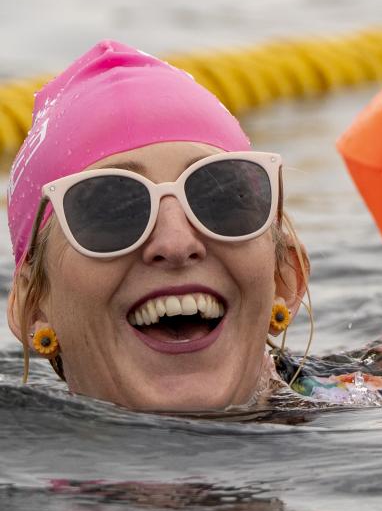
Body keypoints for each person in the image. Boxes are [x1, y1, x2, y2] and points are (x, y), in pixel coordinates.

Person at [6, 40, 310, 413]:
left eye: (219, 199)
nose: (177, 243)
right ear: (33, 309)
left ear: (285, 280)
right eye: (114, 210)